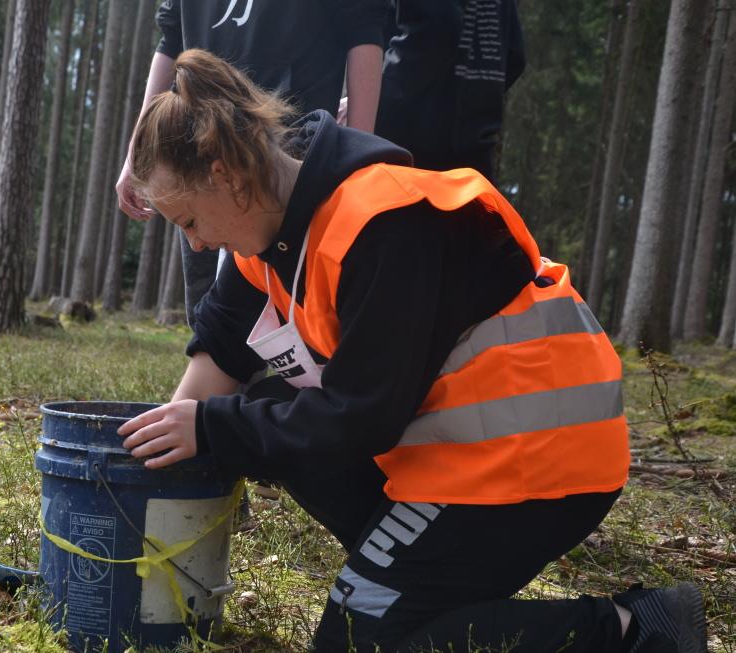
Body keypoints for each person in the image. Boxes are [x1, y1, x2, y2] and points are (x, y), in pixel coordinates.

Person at [116, 49, 708, 653]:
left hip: (536, 457)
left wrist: (213, 428)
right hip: (452, 449)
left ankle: (634, 626)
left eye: (188, 221)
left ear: (225, 175)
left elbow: (359, 417)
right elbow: (215, 362)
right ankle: (414, 581)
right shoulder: (265, 238)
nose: (195, 244)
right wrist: (152, 465)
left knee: (357, 641)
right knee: (271, 405)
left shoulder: (384, 221)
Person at [115, 0, 386, 327]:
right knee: (211, 316)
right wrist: (138, 150)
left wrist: (356, 150)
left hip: (288, 153)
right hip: (192, 152)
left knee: (300, 314)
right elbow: (172, 37)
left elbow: (364, 27)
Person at [371, 0, 525, 182]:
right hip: (476, 156)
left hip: (410, 155)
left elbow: (437, 26)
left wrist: (373, 97)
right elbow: (515, 55)